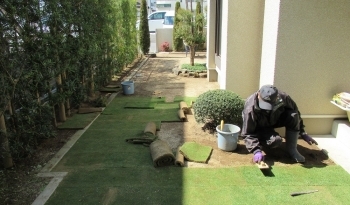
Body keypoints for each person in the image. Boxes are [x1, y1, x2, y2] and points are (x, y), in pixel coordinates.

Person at [241, 84, 318, 163]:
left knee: (293, 115)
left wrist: (302, 132)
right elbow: (247, 133)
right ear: (258, 95)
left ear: (277, 97)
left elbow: (296, 113)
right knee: (276, 141)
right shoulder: (250, 108)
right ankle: (260, 142)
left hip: (275, 120)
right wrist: (256, 150)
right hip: (260, 127)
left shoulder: (284, 97)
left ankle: (292, 150)